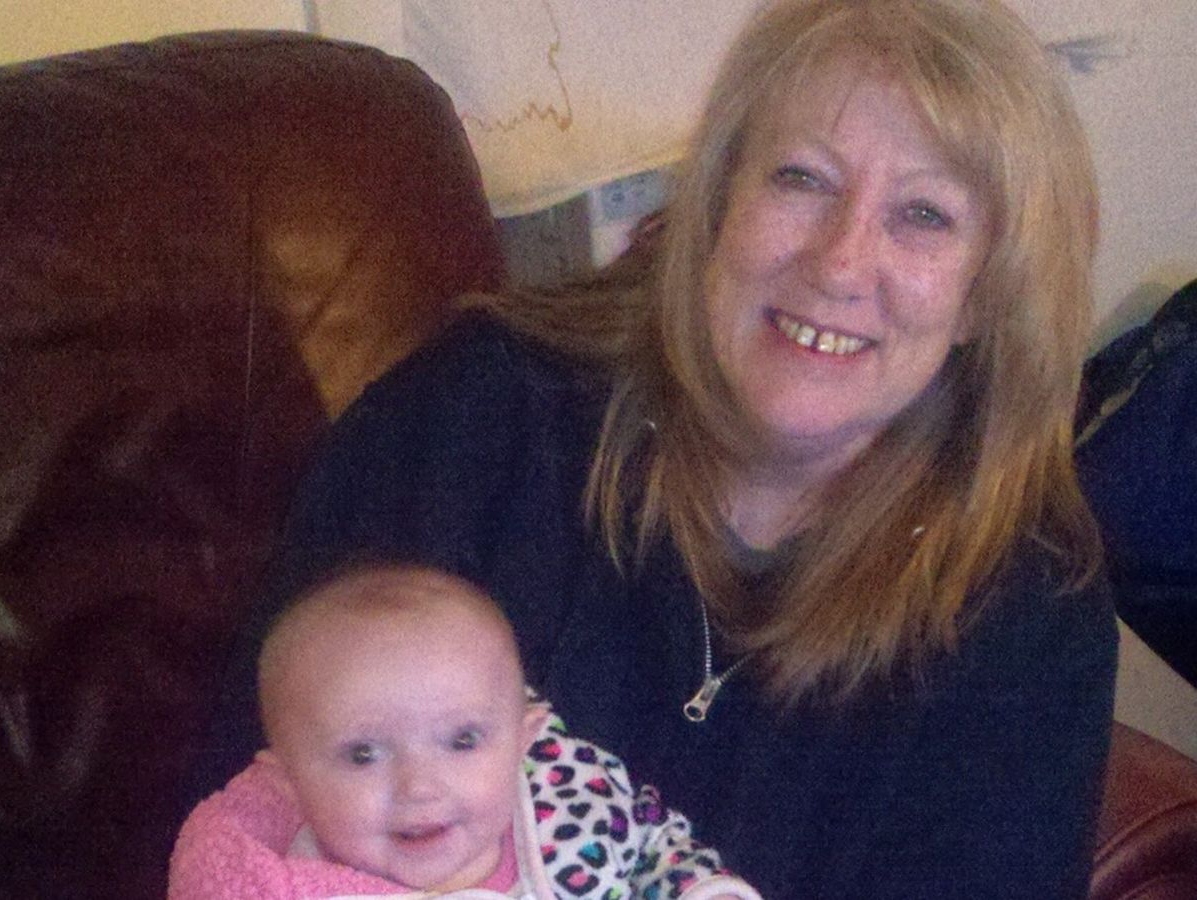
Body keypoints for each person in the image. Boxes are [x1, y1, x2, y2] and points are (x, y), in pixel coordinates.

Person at [195, 0, 1118, 896]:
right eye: (803, 178)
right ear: (717, 203)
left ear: (984, 299)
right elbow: (256, 804)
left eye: (925, 216)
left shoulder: (1026, 611)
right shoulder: (475, 421)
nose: (839, 262)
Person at [171, 564, 761, 899]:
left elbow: (654, 846)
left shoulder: (566, 798)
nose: (419, 786)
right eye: (364, 753)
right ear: (289, 781)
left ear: (524, 739)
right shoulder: (285, 887)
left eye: (462, 741)